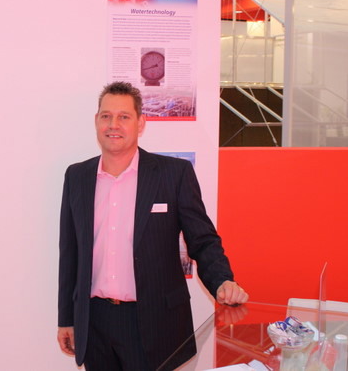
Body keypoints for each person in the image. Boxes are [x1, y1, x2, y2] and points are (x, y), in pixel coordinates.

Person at [57, 82, 249, 371]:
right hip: (94, 322)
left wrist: (222, 281)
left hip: (154, 322)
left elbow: (202, 240)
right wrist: (67, 319)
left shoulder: (173, 174)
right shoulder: (77, 176)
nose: (113, 124)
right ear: (96, 121)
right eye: (106, 116)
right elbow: (70, 253)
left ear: (140, 123)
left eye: (124, 116)